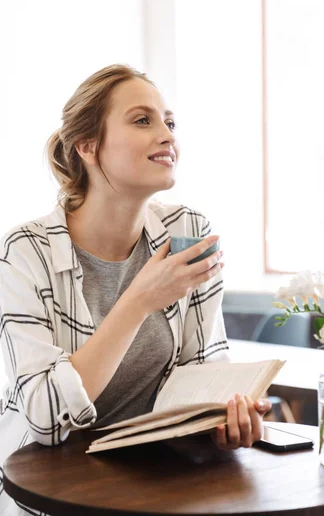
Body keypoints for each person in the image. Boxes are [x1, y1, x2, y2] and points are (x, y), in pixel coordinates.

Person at [0, 64, 271, 515]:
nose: (166, 135)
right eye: (142, 120)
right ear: (87, 146)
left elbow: (202, 373)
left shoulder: (188, 231)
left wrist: (225, 418)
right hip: (50, 495)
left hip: (156, 486)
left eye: (169, 122)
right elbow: (44, 415)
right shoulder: (26, 252)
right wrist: (139, 300)